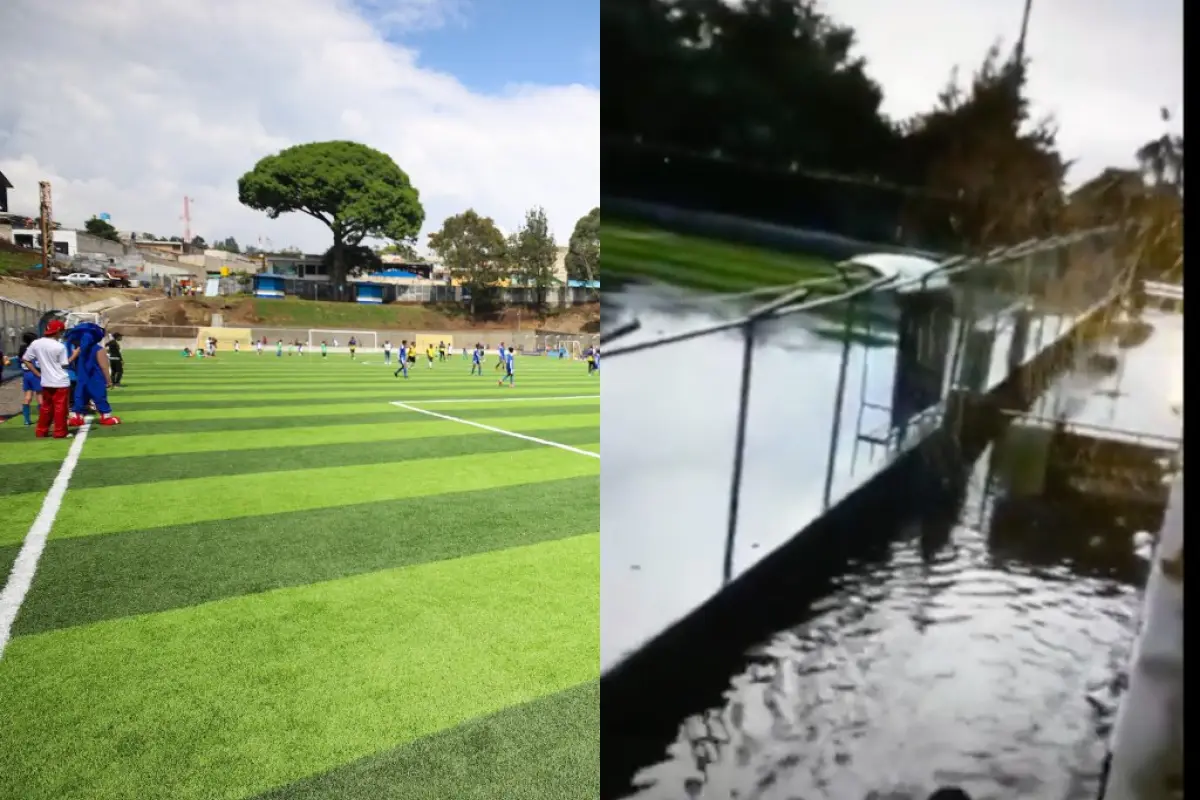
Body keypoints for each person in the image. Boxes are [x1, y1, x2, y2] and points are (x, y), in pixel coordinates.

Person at [65, 322, 121, 428]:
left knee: (80, 398)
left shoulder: (79, 350)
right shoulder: (98, 349)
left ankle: (76, 417)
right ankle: (106, 416)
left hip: (81, 379)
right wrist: (109, 381)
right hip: (95, 379)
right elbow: (104, 366)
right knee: (99, 397)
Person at [22, 319, 72, 439]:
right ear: (58, 331)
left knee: (46, 407)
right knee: (60, 409)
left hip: (46, 381)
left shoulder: (36, 343)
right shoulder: (60, 346)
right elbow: (64, 364)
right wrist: (74, 355)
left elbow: (26, 359)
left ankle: (41, 431)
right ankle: (60, 432)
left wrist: (37, 373)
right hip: (60, 381)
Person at [18, 332, 39, 426]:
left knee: (27, 396)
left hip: (25, 374)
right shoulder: (34, 348)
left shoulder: (22, 348)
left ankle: (26, 420)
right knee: (40, 396)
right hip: (34, 373)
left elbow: (20, 359)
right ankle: (43, 419)